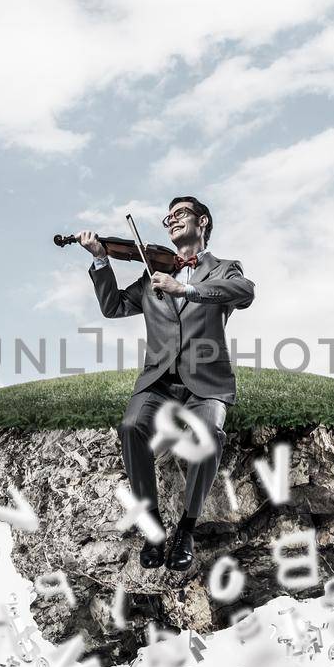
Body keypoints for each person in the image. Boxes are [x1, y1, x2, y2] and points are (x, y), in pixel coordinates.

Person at [76, 196, 255, 571]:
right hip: (158, 380)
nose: (172, 220)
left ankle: (186, 528)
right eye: (167, 217)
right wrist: (99, 258)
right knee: (131, 427)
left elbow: (245, 292)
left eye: (180, 214)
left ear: (201, 221)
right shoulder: (149, 274)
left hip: (205, 382)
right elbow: (113, 307)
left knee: (209, 435)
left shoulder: (224, 269)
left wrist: (186, 289)